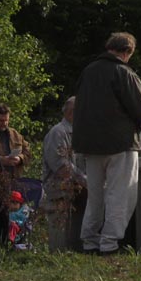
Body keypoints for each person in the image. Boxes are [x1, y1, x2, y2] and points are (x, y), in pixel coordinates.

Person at [72, 32, 141, 256]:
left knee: (95, 196)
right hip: (120, 142)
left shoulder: (88, 71)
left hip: (90, 144)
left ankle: (89, 240)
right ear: (127, 52)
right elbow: (139, 110)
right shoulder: (124, 73)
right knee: (121, 194)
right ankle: (110, 243)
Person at [41, 97, 87, 251]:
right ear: (72, 113)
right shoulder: (58, 132)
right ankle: (58, 257)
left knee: (76, 229)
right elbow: (60, 165)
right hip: (59, 189)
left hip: (78, 188)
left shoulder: (80, 132)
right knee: (61, 234)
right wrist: (85, 180)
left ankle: (76, 252)